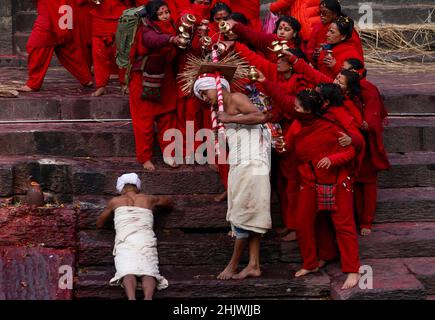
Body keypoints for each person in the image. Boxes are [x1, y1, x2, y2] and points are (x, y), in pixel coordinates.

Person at [193, 75, 272, 280]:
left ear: (216, 88)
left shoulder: (236, 98)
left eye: (205, 92)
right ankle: (254, 265)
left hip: (254, 162)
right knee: (250, 213)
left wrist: (230, 119)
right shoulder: (217, 111)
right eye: (200, 94)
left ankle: (233, 265)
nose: (204, 97)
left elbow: (260, 116)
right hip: (240, 163)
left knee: (242, 214)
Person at [284, 89, 360, 290]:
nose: (294, 110)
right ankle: (311, 262)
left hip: (337, 182)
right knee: (303, 222)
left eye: (297, 107)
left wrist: (332, 159)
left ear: (309, 110)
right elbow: (287, 147)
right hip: (308, 181)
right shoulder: (296, 125)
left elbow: (350, 150)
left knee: (344, 226)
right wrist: (279, 145)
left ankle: (352, 269)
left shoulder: (331, 127)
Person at [96, 173, 172, 300]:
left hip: (125, 241)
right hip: (145, 239)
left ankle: (131, 298)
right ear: (137, 186)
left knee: (127, 270)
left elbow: (99, 223)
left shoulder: (115, 201)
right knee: (149, 270)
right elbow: (169, 203)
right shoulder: (148, 199)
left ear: (121, 188)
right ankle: (148, 298)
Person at [129, 0, 183, 171]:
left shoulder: (173, 26)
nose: (165, 16)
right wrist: (171, 39)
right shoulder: (146, 29)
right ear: (153, 16)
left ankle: (169, 154)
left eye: (167, 12)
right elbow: (151, 40)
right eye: (161, 13)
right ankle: (145, 158)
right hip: (144, 80)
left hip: (165, 80)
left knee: (167, 117)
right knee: (144, 122)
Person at [344, 58, 390, 236]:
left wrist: (360, 123)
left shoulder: (367, 89)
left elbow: (371, 120)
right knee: (354, 181)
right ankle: (359, 218)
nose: (340, 75)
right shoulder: (349, 90)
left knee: (368, 183)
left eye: (345, 71)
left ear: (355, 73)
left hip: (367, 142)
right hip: (353, 141)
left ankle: (366, 221)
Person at [20, 0, 93, 92]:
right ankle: (85, 77)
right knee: (67, 47)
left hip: (55, 11)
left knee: (37, 44)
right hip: (61, 10)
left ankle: (33, 83)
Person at [90, 0, 132, 96]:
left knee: (122, 51)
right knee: (98, 52)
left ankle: (125, 83)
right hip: (99, 16)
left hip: (120, 14)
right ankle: (100, 85)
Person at [306, 0, 363, 64]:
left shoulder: (345, 28)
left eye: (324, 13)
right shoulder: (318, 27)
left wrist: (326, 53)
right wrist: (313, 55)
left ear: (335, 14)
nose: (321, 15)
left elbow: (353, 53)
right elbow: (310, 47)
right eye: (319, 13)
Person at [226, 15, 303, 62]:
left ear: (295, 33)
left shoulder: (300, 47)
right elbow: (255, 36)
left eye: (286, 29)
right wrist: (237, 26)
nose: (282, 32)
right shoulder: (271, 40)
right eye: (280, 28)